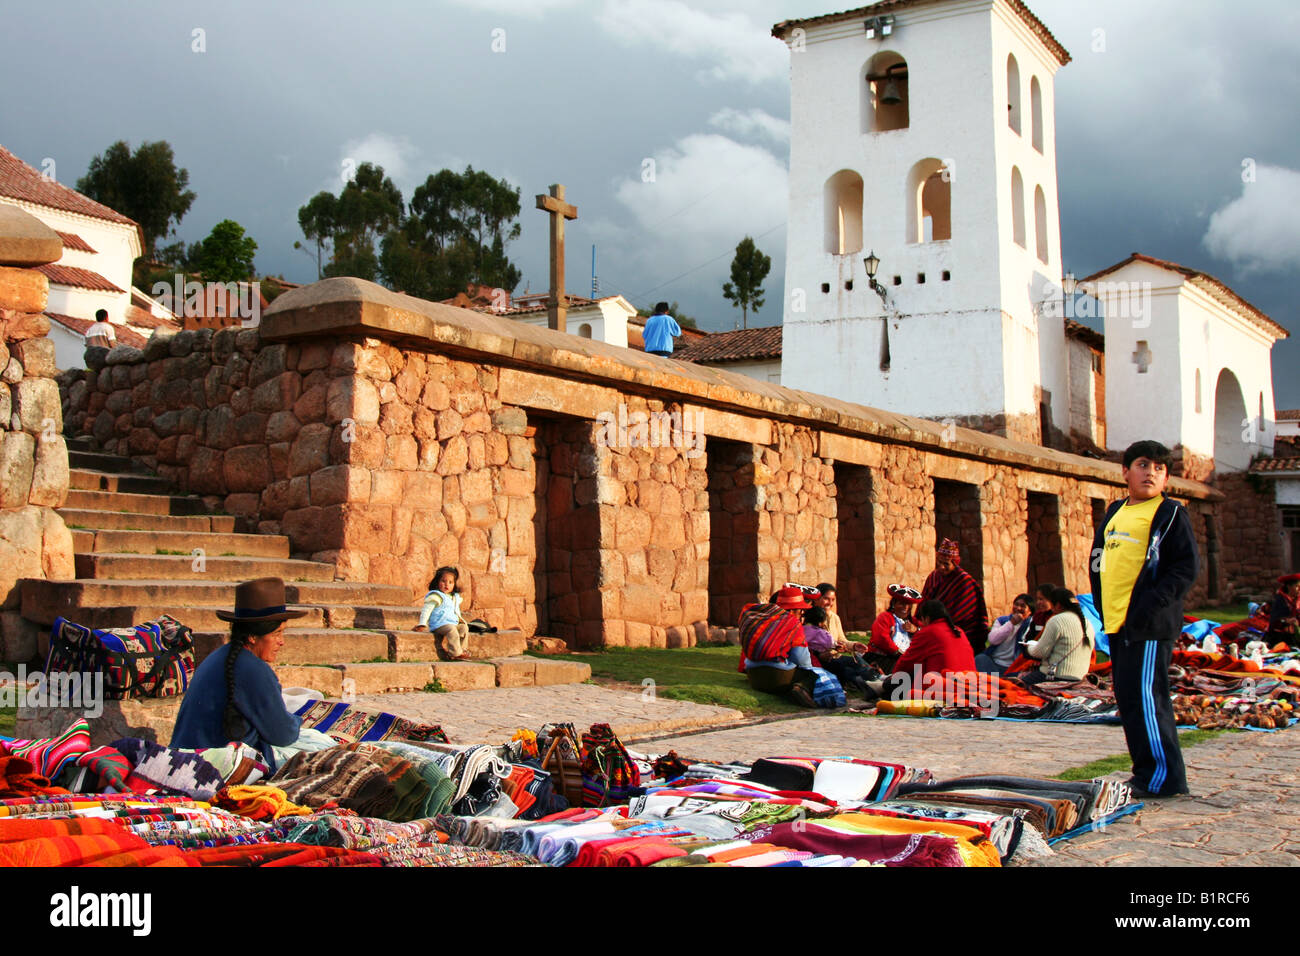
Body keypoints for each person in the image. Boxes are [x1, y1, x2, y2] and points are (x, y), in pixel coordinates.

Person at [1089, 440, 1199, 799]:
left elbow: (1184, 568)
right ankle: (1144, 774)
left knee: (1148, 698)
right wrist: (1105, 605)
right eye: (1142, 464)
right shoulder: (1116, 511)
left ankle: (1164, 779)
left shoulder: (1169, 514)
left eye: (1159, 467)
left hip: (1149, 624)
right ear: (1125, 471)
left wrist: (1151, 604)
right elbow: (1097, 558)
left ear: (1166, 476)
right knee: (1129, 699)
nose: (1151, 472)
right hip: (1118, 623)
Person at [171, 577, 305, 770]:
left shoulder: (219, 656)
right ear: (252, 636)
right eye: (276, 634)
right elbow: (282, 734)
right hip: (213, 769)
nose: (281, 642)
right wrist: (297, 720)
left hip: (185, 761)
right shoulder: (253, 670)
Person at [864, 599, 976, 701]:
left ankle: (881, 687)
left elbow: (905, 663)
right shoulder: (959, 631)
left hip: (941, 687)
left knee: (897, 687)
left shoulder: (928, 632)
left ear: (927, 618)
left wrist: (891, 681)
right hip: (968, 684)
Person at [738, 587, 818, 707]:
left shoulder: (761, 618)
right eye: (801, 610)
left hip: (753, 678)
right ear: (792, 610)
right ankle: (800, 689)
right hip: (775, 679)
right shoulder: (792, 623)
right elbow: (801, 660)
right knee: (812, 674)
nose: (802, 613)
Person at [921, 538, 990, 653]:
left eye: (946, 564)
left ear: (955, 563)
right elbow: (924, 602)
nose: (941, 567)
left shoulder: (964, 581)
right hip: (932, 627)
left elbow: (965, 612)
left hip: (961, 632)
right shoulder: (933, 577)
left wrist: (943, 627)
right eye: (939, 562)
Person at [1018, 587, 1093, 686]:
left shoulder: (1057, 620)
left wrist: (1029, 647)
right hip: (1079, 676)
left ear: (1058, 605)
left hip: (1056, 675)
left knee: (1017, 685)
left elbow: (1040, 652)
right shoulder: (1087, 622)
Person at [803, 604, 875, 697]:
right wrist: (836, 646)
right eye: (826, 599)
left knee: (849, 666)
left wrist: (852, 645)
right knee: (850, 664)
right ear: (821, 621)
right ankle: (872, 680)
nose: (829, 603)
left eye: (832, 600)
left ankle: (868, 683)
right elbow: (830, 643)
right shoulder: (820, 632)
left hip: (817, 660)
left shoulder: (802, 629)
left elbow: (841, 640)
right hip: (821, 660)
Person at [413, 566, 470, 661]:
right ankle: (455, 653)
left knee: (464, 628)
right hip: (439, 624)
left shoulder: (454, 597)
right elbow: (426, 610)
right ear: (437, 582)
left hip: (452, 623)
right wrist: (422, 623)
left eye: (450, 582)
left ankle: (461, 650)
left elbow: (456, 611)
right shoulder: (436, 596)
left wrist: (461, 621)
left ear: (454, 584)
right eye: (443, 581)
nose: (446, 584)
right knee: (451, 630)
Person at [976, 593, 1033, 675]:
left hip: (1015, 668)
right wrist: (1011, 623)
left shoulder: (1031, 624)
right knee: (980, 658)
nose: (1018, 608)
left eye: (1023, 606)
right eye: (1016, 604)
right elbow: (992, 640)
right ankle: (998, 681)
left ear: (1030, 611)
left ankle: (999, 681)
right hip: (995, 664)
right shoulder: (1002, 621)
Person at [868, 583, 921, 668]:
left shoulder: (914, 622)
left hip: (904, 659)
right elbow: (881, 639)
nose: (906, 607)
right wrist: (899, 653)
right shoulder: (885, 617)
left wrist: (916, 630)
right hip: (883, 659)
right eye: (902, 604)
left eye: (908, 604)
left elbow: (926, 634)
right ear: (893, 604)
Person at [1265, 573, 1300, 647]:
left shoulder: (1298, 600)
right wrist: (1286, 621)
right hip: (1281, 637)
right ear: (1288, 586)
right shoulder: (1280, 601)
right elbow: (1274, 621)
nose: (1299, 589)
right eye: (1296, 586)